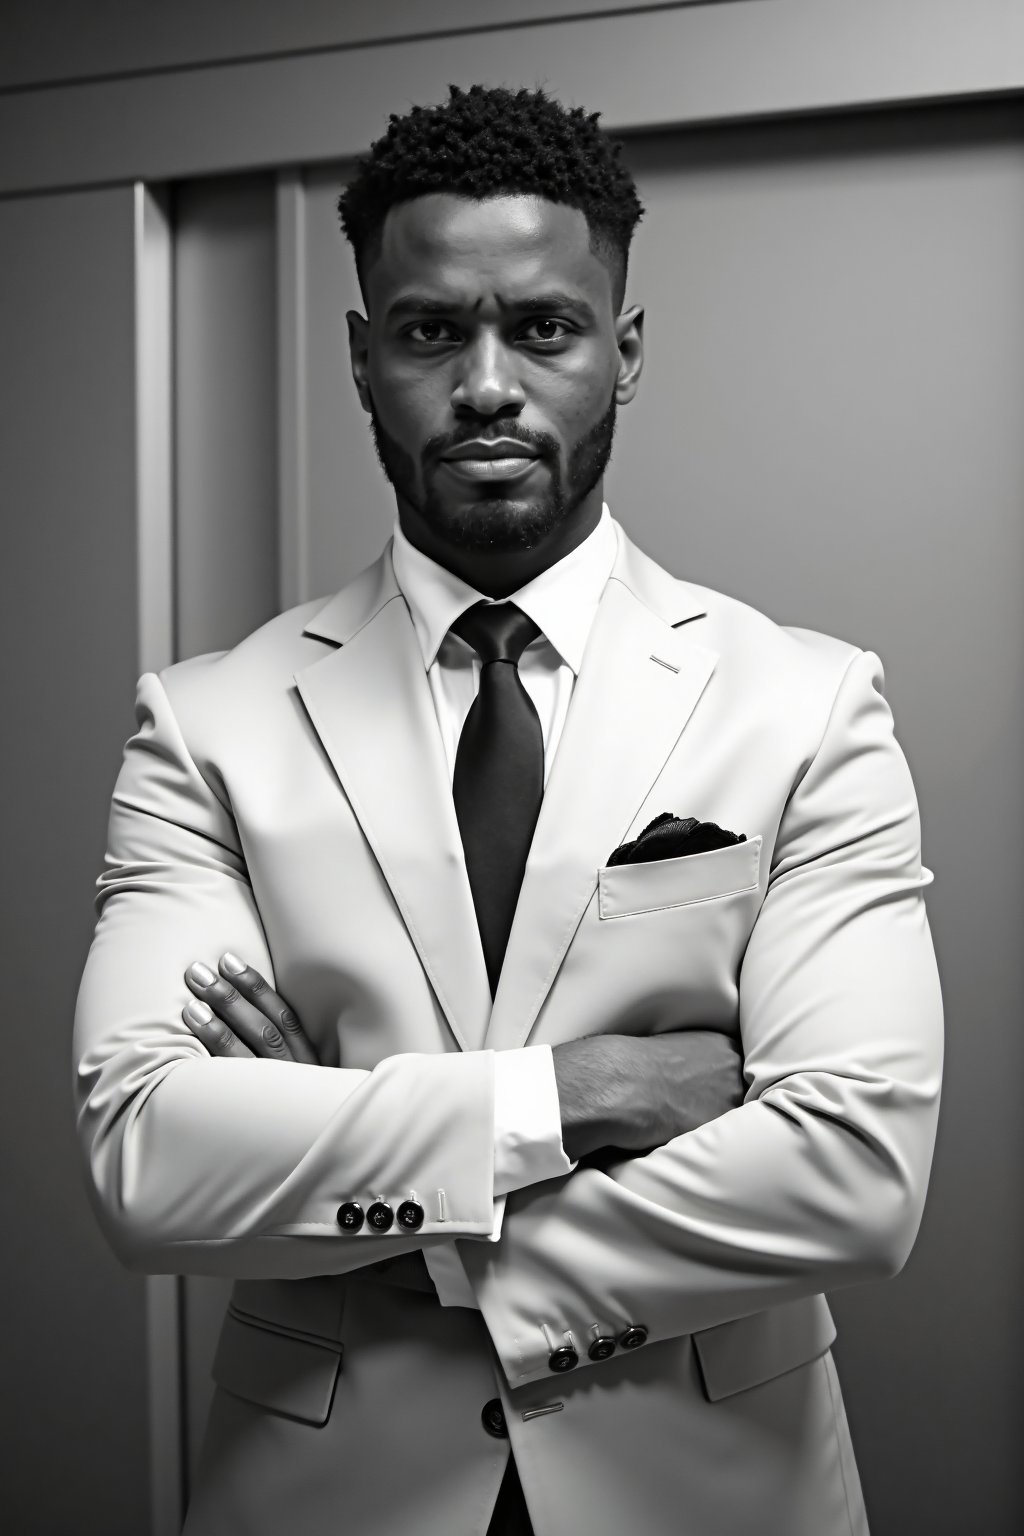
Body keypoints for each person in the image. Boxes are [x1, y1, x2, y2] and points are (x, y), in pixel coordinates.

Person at [73, 85, 943, 1536]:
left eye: (543, 327)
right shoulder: (208, 724)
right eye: (430, 332)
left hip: (717, 1494)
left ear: (625, 348)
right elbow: (151, 1160)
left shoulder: (806, 705)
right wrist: (575, 1096)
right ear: (364, 360)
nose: (487, 384)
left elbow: (854, 1174)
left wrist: (360, 1166)